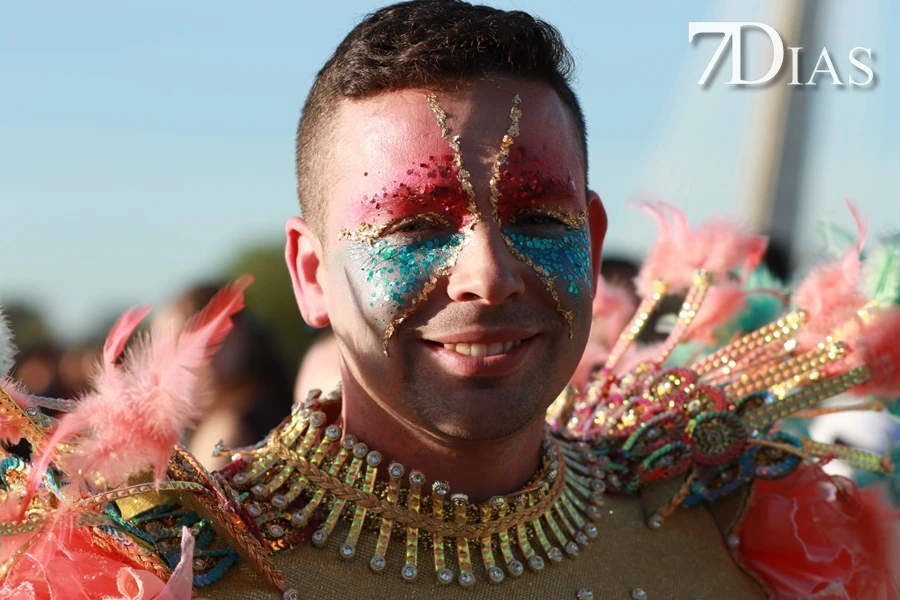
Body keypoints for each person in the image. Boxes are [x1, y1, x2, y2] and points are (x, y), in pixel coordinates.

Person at [1, 2, 898, 599]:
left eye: (537, 215)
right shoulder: (170, 573)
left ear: (590, 242)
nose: (490, 273)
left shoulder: (734, 523)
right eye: (411, 227)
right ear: (311, 274)